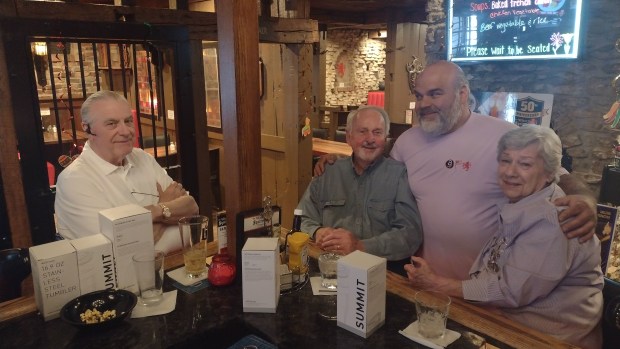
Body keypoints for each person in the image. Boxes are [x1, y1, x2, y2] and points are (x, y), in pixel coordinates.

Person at [315, 60, 596, 280]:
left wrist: (585, 200)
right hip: (417, 276)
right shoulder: (408, 142)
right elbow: (374, 169)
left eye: (436, 94)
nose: (424, 103)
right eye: (420, 95)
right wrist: (337, 162)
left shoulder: (504, 136)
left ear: (463, 94)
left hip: (486, 286)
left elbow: (558, 175)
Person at [405, 125, 603, 349]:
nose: (510, 172)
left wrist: (437, 284)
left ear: (550, 173)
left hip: (545, 340)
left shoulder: (553, 219)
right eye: (506, 161)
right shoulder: (527, 200)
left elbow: (509, 291)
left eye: (525, 164)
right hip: (506, 324)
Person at [55, 90, 198, 254]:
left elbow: (191, 208)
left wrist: (155, 211)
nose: (126, 131)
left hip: (178, 267)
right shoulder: (75, 180)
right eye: (112, 124)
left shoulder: (143, 158)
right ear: (87, 129)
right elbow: (118, 251)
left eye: (128, 121)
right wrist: (167, 209)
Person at [297, 106, 423, 261]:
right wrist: (317, 231)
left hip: (380, 272)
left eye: (377, 132)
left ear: (385, 138)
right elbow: (301, 217)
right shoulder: (328, 172)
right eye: (362, 131)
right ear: (349, 137)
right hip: (328, 267)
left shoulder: (399, 176)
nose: (370, 139)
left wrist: (361, 246)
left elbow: (410, 235)